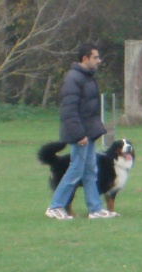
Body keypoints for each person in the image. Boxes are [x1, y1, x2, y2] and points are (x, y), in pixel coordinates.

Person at [45, 43, 117, 220]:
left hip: (88, 133)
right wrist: (79, 134)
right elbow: (69, 110)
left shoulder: (87, 77)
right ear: (85, 58)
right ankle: (55, 206)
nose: (99, 61)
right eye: (96, 57)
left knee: (91, 170)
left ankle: (95, 209)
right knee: (76, 170)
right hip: (79, 134)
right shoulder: (74, 78)